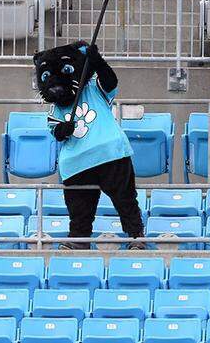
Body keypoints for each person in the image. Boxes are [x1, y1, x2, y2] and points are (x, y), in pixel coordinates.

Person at [34, 41, 145, 250]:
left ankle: (136, 236)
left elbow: (110, 82)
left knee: (125, 199)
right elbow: (56, 133)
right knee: (79, 206)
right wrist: (62, 130)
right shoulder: (54, 112)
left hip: (110, 154)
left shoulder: (94, 90)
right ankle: (79, 238)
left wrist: (98, 62)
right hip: (78, 164)